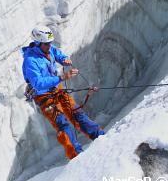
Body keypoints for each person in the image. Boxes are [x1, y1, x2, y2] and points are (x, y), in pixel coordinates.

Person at [21, 26, 105, 159]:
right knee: (63, 124)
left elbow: (57, 53)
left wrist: (64, 59)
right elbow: (38, 83)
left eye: (50, 43)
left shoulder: (49, 49)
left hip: (57, 89)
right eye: (46, 44)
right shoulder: (30, 61)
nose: (49, 46)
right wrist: (62, 77)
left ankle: (100, 136)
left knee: (77, 113)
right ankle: (76, 155)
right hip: (44, 96)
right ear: (38, 43)